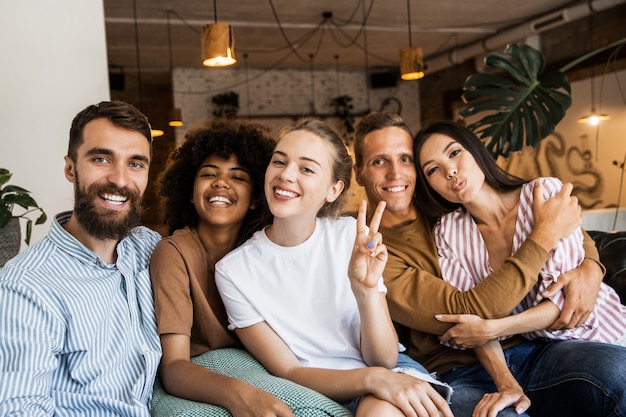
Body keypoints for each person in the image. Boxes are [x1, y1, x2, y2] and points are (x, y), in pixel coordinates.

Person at [352, 111, 626, 417]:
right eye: (379, 161)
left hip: (535, 348)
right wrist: (544, 235)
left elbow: (568, 229)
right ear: (359, 172)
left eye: (405, 159)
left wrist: (590, 267)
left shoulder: (448, 211)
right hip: (457, 370)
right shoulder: (371, 247)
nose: (395, 173)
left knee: (619, 373)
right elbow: (467, 310)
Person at [215, 118, 454, 417]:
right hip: (321, 384)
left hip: (388, 371)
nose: (286, 175)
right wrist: (371, 379)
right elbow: (288, 369)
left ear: (333, 189)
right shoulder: (234, 271)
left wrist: (366, 291)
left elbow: (384, 359)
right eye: (279, 161)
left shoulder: (351, 236)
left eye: (306, 168)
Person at [0, 101, 162, 416]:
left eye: (135, 164)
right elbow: (19, 408)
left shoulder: (150, 248)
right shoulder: (25, 285)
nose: (119, 179)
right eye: (101, 158)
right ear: (70, 168)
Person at [150, 119, 298, 416]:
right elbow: (174, 367)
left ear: (257, 198)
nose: (221, 182)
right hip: (204, 376)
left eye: (239, 177)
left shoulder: (267, 250)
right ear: (189, 193)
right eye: (208, 173)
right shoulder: (174, 253)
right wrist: (241, 395)